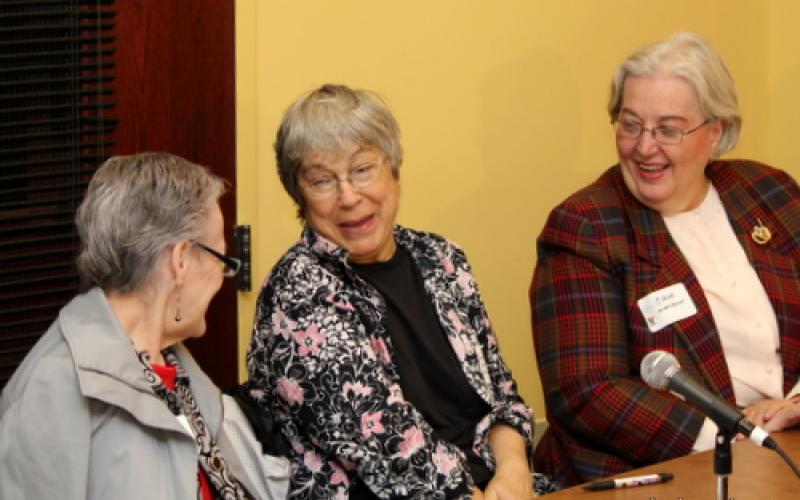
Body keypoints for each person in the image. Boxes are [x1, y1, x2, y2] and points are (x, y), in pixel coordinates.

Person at [247, 84, 558, 498]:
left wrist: (515, 469)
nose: (349, 196)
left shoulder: (442, 258)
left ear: (393, 169)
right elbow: (390, 453)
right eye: (322, 180)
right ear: (299, 196)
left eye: (362, 170)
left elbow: (501, 394)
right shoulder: (298, 292)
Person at [530, 31, 800, 487]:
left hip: (785, 446)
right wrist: (736, 433)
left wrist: (795, 404)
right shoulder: (587, 225)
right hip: (658, 473)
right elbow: (587, 391)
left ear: (715, 132)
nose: (644, 147)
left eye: (668, 129)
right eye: (630, 124)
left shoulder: (768, 193)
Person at [0, 153, 251, 499]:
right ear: (180, 261)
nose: (222, 279)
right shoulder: (55, 385)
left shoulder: (173, 369)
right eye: (220, 259)